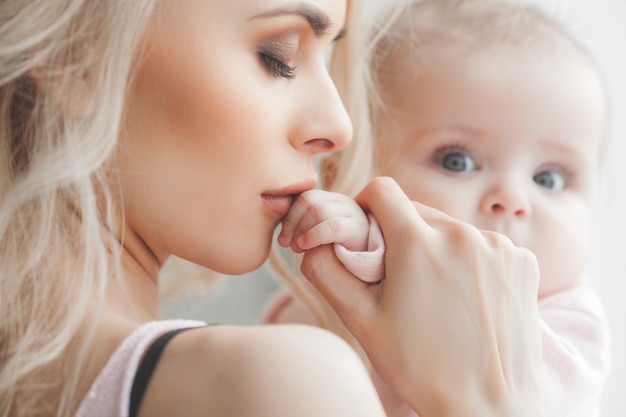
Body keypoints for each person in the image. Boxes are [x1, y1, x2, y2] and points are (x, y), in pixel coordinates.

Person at [0, 0, 548, 416]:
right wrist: (489, 395)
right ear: (72, 55)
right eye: (278, 57)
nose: (339, 127)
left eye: (330, 60)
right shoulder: (284, 385)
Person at [264, 0, 612, 416]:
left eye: (549, 178)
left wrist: (370, 249)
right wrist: (364, 251)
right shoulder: (307, 300)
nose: (512, 198)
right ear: (345, 181)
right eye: (456, 161)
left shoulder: (571, 324)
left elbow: (520, 384)